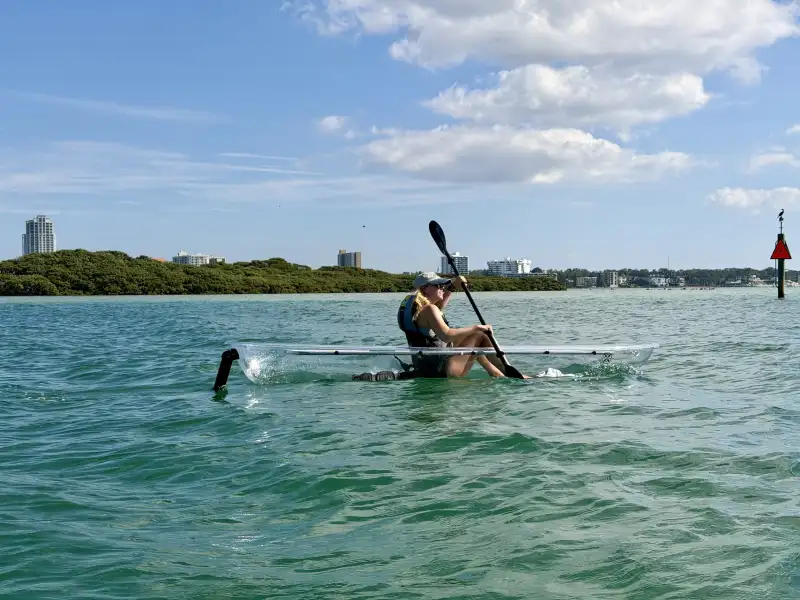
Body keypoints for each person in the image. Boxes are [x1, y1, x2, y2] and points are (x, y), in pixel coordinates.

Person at [395, 272, 528, 378]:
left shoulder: (415, 309)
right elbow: (446, 335)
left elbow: (438, 309)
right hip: (441, 371)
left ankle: (498, 374)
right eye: (438, 286)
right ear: (424, 289)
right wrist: (477, 327)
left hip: (424, 368)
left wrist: (452, 287)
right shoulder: (429, 310)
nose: (442, 288)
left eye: (442, 286)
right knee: (480, 335)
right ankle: (508, 371)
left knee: (471, 342)